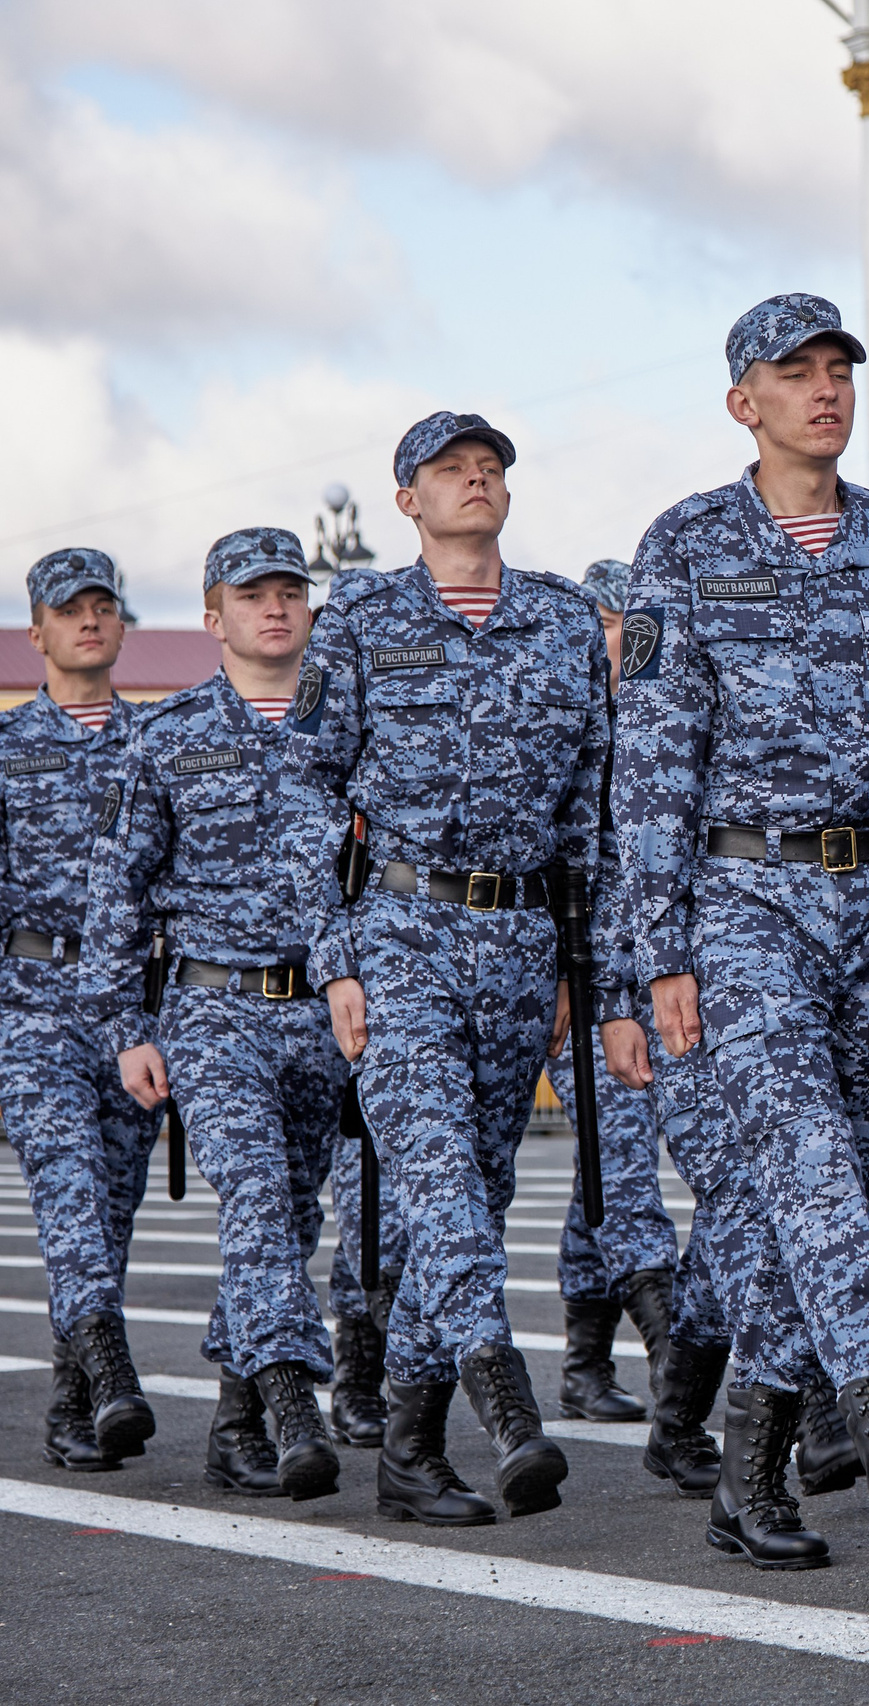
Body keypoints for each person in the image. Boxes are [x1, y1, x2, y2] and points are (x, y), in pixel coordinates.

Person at [615, 293, 869, 1577]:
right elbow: (653, 762)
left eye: (837, 368)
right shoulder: (686, 544)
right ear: (740, 402)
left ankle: (748, 1476)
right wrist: (660, 949)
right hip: (746, 902)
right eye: (793, 372)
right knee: (811, 1168)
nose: (824, 388)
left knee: (812, 1200)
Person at [283, 411, 605, 1526]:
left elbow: (586, 812)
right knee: (434, 1176)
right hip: (404, 927)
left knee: (477, 1190)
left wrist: (581, 967)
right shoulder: (365, 615)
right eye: (449, 469)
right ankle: (506, 1399)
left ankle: (411, 1452)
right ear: (406, 499)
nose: (476, 479)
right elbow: (307, 792)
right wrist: (336, 958)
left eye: (490, 466)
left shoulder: (562, 618)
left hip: (520, 939)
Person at [84, 528, 346, 1502]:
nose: (273, 607)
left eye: (289, 589)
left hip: (320, 1011)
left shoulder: (346, 728)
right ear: (213, 615)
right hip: (210, 1006)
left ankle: (233, 1431)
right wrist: (126, 1029)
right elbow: (118, 894)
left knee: (291, 1211)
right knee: (256, 1201)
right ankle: (288, 1402)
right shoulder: (167, 734)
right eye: (250, 594)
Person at [5, 549, 156, 1473]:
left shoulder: (158, 743)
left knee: (113, 1206)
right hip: (31, 1000)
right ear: (40, 633)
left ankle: (75, 1406)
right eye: (71, 611)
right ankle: (108, 1368)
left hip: (130, 1008)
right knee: (68, 1185)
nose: (90, 622)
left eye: (104, 607)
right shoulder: (9, 748)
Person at [540, 558, 696, 1426]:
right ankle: (672, 1350)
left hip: (668, 985)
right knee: (622, 1159)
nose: (619, 641)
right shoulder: (562, 735)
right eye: (606, 622)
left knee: (602, 1167)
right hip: (583, 990)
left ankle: (584, 1360)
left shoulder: (668, 730)